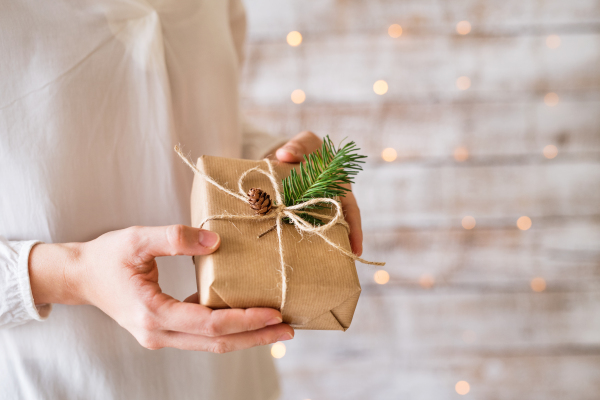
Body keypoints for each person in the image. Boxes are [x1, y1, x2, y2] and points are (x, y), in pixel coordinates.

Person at [0, 1, 363, 399]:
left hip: (231, 378)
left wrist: (278, 159)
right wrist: (73, 274)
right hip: (60, 378)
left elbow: (200, 116)